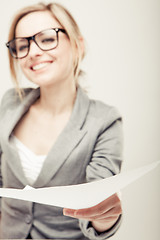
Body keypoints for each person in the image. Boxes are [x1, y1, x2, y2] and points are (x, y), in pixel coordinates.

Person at [0, 2, 123, 239]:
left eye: (46, 39)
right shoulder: (9, 104)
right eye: (22, 45)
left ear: (77, 45)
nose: (33, 52)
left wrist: (104, 218)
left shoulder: (105, 121)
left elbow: (101, 203)